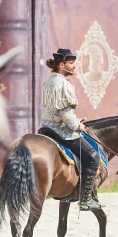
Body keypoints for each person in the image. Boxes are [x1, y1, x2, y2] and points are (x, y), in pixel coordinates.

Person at [38, 48, 101, 211]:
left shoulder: (48, 81)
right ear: (61, 64)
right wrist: (78, 125)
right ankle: (85, 200)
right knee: (93, 157)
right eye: (71, 63)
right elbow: (65, 115)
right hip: (62, 132)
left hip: (46, 129)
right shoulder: (64, 85)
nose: (74, 66)